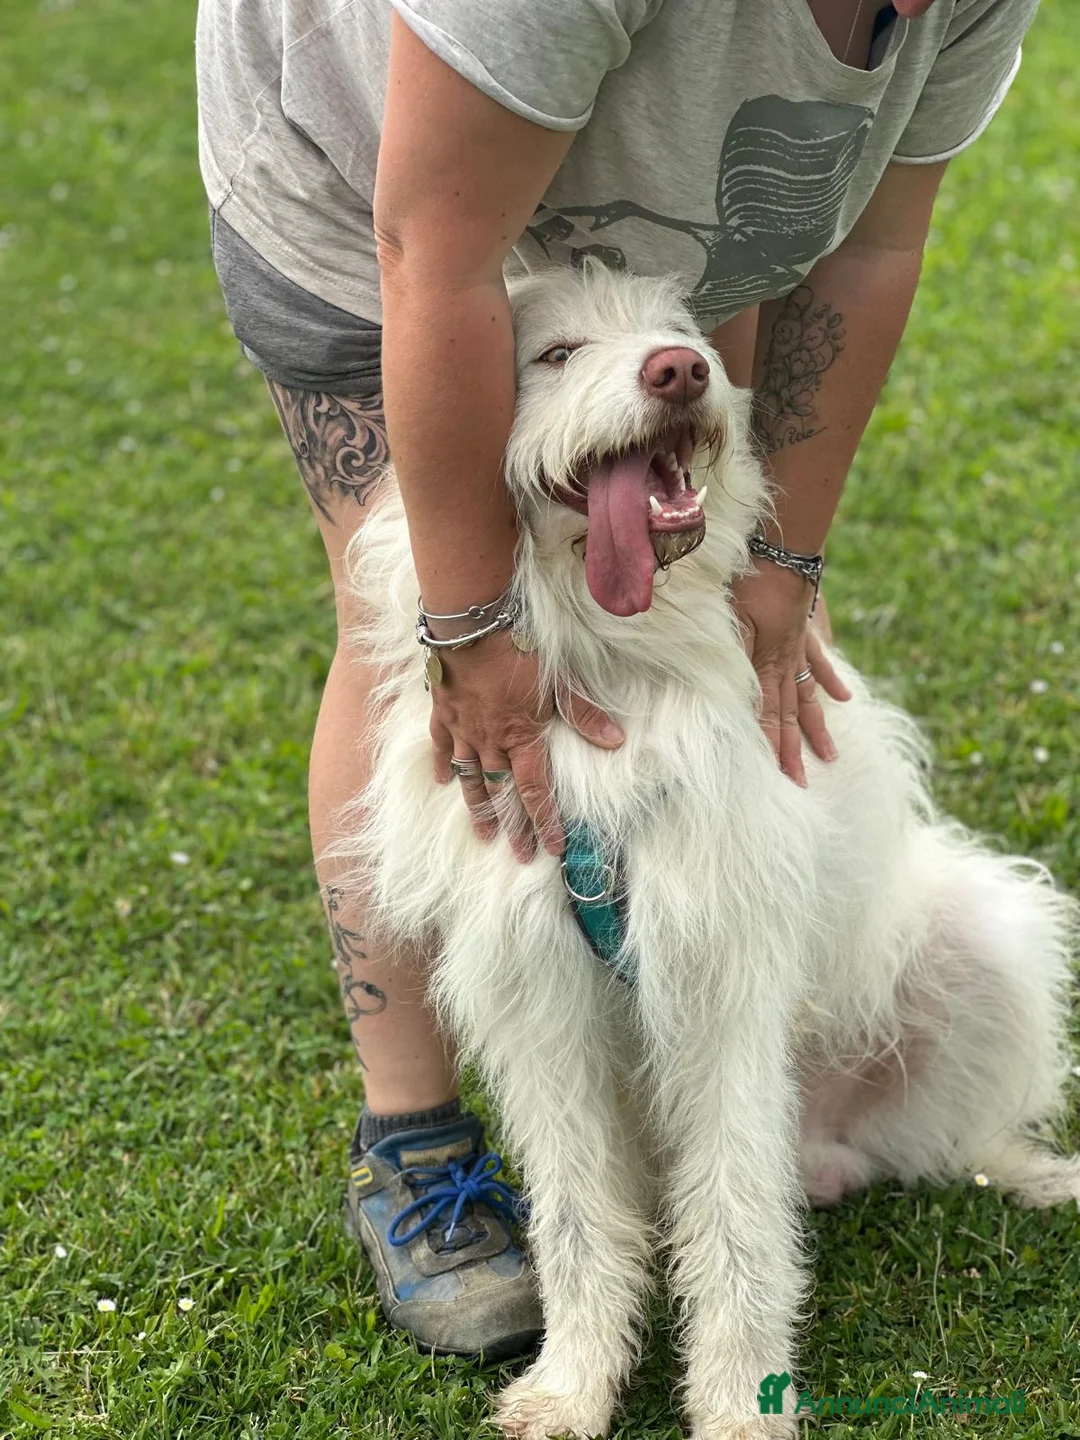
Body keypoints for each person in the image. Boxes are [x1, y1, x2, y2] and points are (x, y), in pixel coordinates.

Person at [196, 0, 1039, 1357]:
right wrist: (467, 630)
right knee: (411, 646)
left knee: (654, 537)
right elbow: (436, 251)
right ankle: (419, 1142)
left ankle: (693, 1087)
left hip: (680, 184)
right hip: (378, 190)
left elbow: (874, 239)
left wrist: (782, 554)